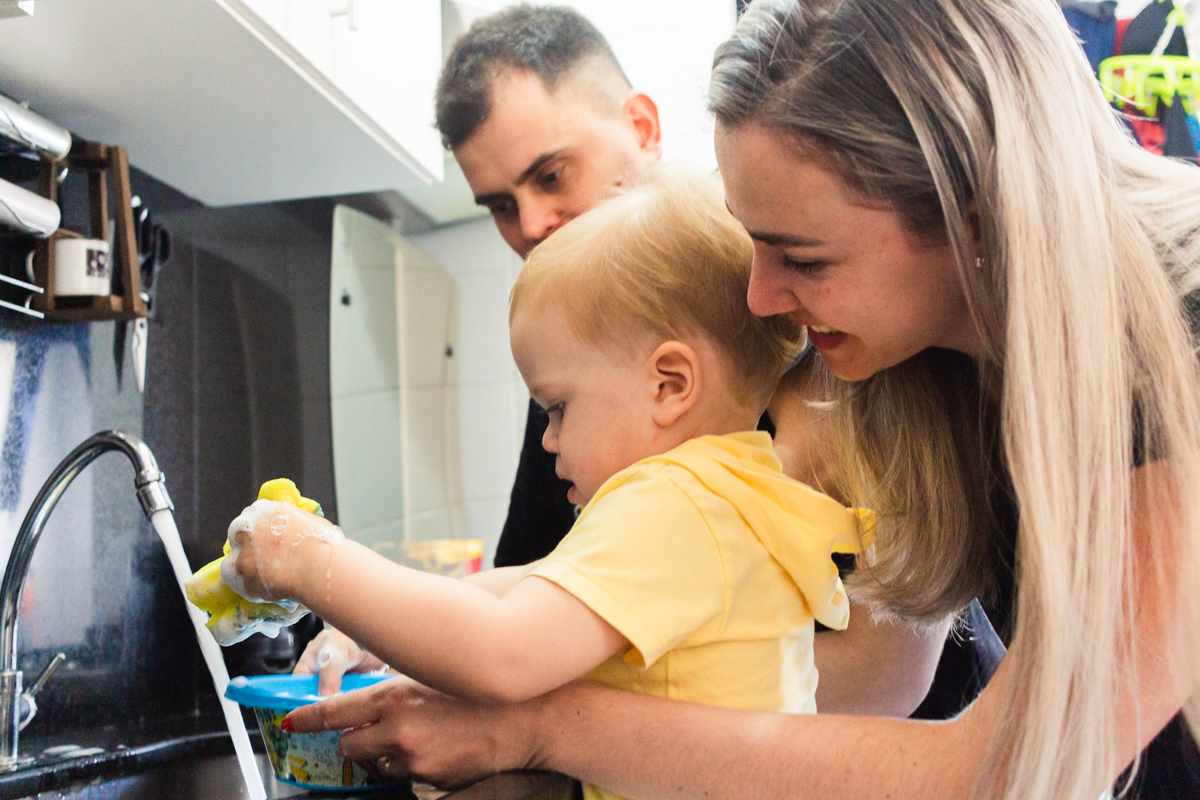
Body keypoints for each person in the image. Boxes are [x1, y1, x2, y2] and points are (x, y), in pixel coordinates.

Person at [285, 0, 1200, 798]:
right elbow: (676, 595)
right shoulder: (909, 357)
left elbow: (1009, 767)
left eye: (803, 258)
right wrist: (416, 632)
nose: (764, 299)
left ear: (969, 205)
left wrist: (545, 723)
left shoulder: (1174, 332)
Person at [301, 2, 990, 724]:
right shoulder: (588, 378)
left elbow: (884, 678)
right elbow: (551, 587)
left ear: (642, 127)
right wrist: (393, 626)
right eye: (500, 205)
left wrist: (545, 714)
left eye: (552, 174)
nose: (531, 224)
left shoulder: (840, 328)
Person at [227, 169, 881, 800]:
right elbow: (523, 584)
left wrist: (309, 560)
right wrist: (374, 624)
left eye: (559, 408)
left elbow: (503, 651)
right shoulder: (736, 492)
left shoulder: (676, 503)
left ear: (670, 385)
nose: (547, 439)